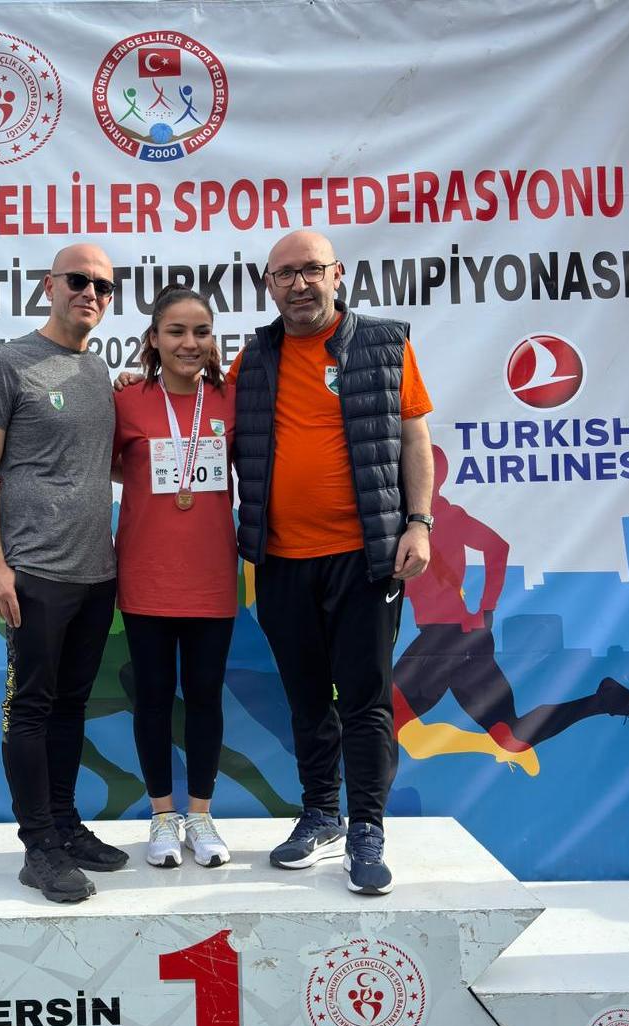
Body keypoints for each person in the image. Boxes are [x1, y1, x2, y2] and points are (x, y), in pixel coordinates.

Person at [232, 229, 434, 895]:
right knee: (306, 698)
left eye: (311, 270)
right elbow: (198, 413)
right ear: (269, 285)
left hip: (365, 560)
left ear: (337, 274)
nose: (299, 284)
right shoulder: (254, 357)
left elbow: (415, 437)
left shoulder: (384, 343)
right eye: (285, 274)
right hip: (281, 562)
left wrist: (419, 522)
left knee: (366, 699)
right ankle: (321, 813)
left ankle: (367, 827)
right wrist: (137, 379)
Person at [0, 243, 129, 904]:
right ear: (48, 286)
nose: (90, 293)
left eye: (103, 286)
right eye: (78, 280)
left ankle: (65, 825)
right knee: (31, 708)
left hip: (95, 572)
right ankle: (38, 846)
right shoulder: (8, 364)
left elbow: (103, 462)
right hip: (33, 570)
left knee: (70, 706)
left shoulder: (99, 370)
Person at [393, 444, 629, 754]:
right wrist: (484, 611)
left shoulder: (437, 518)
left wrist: (487, 608)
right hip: (461, 638)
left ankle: (604, 700)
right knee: (511, 736)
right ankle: (604, 700)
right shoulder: (422, 519)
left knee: (383, 722)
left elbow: (497, 548)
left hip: (447, 637)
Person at [112, 286, 237, 869]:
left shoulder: (232, 398)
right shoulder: (127, 400)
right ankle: (163, 816)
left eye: (201, 332)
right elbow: (104, 464)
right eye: (177, 331)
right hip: (147, 576)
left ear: (213, 340)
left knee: (206, 697)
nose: (190, 343)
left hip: (212, 576)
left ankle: (201, 815)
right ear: (153, 340)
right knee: (154, 699)